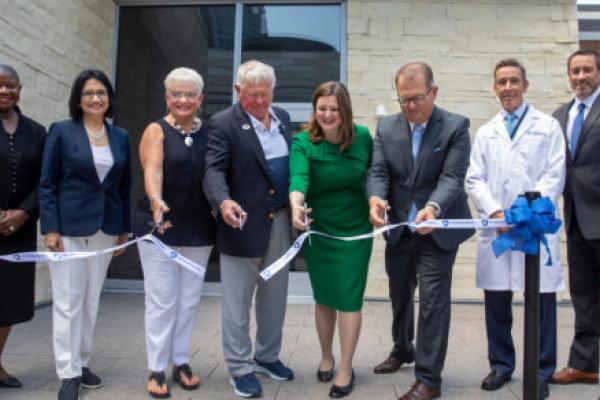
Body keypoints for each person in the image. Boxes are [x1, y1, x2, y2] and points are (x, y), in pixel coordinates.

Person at [367, 61, 474, 400]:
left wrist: (433, 208)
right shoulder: (386, 128)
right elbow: (379, 171)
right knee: (399, 293)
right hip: (400, 228)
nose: (410, 107)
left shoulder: (455, 127)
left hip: (436, 230)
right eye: (403, 100)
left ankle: (429, 379)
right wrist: (375, 199)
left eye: (416, 98)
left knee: (432, 301)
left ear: (434, 91)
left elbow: (452, 178)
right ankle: (403, 348)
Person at [466, 59, 565, 400]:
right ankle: (501, 365)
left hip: (532, 225)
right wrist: (496, 212)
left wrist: (525, 213)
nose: (507, 87)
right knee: (496, 298)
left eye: (513, 81)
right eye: (501, 82)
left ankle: (540, 371)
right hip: (498, 225)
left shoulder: (548, 126)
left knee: (541, 299)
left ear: (525, 85)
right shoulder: (486, 131)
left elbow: (554, 175)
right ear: (494, 88)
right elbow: (474, 177)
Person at [203, 60, 294, 398]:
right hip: (240, 222)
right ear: (238, 91)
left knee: (275, 296)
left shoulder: (282, 118)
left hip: (280, 221)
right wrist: (223, 203)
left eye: (265, 95)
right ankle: (240, 368)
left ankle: (267, 356)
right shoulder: (223, 123)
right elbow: (213, 171)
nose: (259, 102)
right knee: (237, 303)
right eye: (252, 95)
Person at [39, 69, 131, 400]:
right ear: (78, 99)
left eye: (101, 93)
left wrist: (123, 229)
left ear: (109, 99)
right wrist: (49, 228)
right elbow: (47, 183)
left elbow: (123, 185)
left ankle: (83, 361)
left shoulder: (120, 136)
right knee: (68, 300)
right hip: (68, 228)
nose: (95, 98)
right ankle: (68, 373)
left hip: (106, 228)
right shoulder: (62, 132)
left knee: (91, 299)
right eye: (89, 93)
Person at [133, 67, 215, 399]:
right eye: (176, 94)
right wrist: (155, 200)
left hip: (199, 226)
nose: (183, 99)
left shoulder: (210, 132)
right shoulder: (156, 130)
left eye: (189, 94)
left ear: (200, 99)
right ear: (167, 98)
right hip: (160, 225)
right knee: (162, 300)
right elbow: (152, 168)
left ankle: (181, 361)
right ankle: (156, 367)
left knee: (189, 300)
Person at [289, 81, 373, 398]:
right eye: (321, 108)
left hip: (355, 232)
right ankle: (326, 355)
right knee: (324, 298)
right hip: (321, 230)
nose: (326, 114)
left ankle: (346, 367)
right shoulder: (303, 141)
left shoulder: (363, 138)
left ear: (345, 111)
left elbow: (375, 177)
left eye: (333, 109)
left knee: (349, 299)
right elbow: (299, 177)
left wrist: (377, 204)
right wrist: (296, 204)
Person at [551, 48, 600, 385]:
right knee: (583, 292)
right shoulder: (560, 114)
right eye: (574, 71)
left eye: (586, 70)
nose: (580, 77)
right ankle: (584, 364)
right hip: (577, 217)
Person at [0, 64, 46, 389]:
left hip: (20, 229)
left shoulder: (36, 131)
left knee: (10, 301)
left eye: (11, 86)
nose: (5, 91)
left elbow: (46, 180)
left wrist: (24, 213)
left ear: (20, 89)